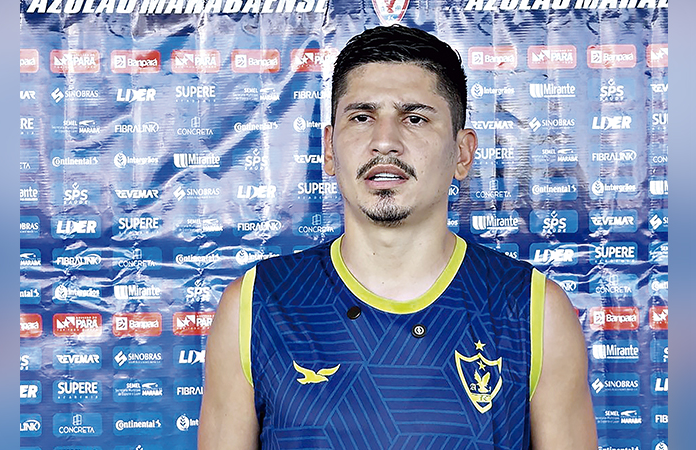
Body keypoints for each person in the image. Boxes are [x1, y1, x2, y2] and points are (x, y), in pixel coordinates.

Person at [199, 25, 597, 449]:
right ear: (330, 150)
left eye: (414, 118)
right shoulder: (255, 305)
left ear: (462, 153)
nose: (384, 141)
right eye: (362, 116)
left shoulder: (534, 310)